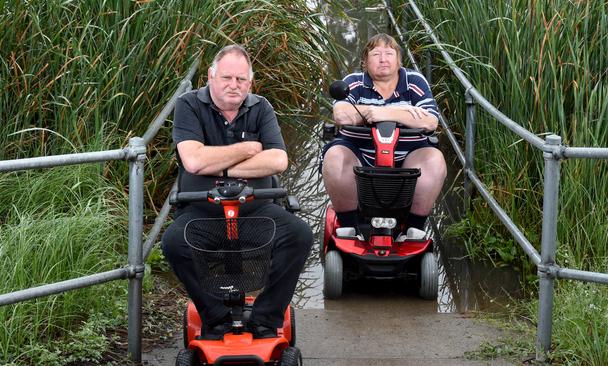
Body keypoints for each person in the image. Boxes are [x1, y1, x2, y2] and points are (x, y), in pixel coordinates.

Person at [161, 44, 313, 340]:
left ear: (250, 82)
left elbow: (278, 160)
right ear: (211, 77)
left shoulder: (261, 107)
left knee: (299, 235)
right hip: (201, 210)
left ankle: (266, 318)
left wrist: (219, 166)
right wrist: (247, 150)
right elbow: (193, 160)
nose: (234, 86)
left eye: (241, 80)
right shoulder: (189, 104)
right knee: (173, 244)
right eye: (227, 78)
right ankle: (214, 316)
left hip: (256, 209)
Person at [321, 33, 446, 237]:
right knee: (334, 158)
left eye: (389, 53)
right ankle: (350, 228)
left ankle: (413, 229)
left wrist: (384, 112)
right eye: (376, 54)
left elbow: (430, 121)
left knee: (435, 161)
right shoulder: (353, 82)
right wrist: (406, 113)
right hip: (360, 153)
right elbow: (342, 115)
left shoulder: (414, 81)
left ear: (398, 60)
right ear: (365, 61)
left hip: (408, 155)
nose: (383, 59)